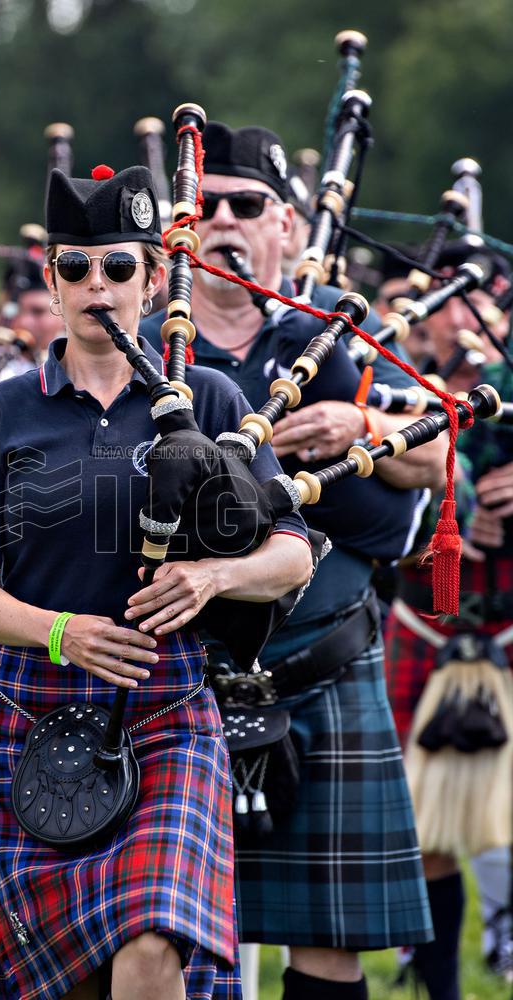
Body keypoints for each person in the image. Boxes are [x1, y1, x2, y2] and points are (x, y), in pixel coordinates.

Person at [0, 163, 313, 1000]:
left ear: (152, 281)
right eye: (75, 267)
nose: (97, 285)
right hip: (32, 707)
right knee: (70, 979)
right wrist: (61, 632)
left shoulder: (208, 400)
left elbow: (292, 554)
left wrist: (213, 577)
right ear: (51, 283)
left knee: (152, 941)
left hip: (168, 708)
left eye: (119, 266)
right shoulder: (2, 413)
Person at [140, 123, 445, 1000]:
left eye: (249, 205)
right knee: (163, 937)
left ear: (288, 227)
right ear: (180, 229)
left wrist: (363, 425)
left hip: (325, 667)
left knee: (329, 946)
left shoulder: (334, 339)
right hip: (180, 679)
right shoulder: (146, 347)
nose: (225, 221)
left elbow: (436, 452)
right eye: (206, 206)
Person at [384, 244, 513, 999]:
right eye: (442, 297)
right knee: (424, 830)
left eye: (475, 296)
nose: (458, 313)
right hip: (426, 626)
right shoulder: (389, 389)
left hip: (508, 624)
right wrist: (447, 502)